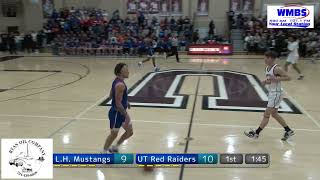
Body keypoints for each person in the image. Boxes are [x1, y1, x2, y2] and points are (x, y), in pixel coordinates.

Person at [244, 51, 294, 141]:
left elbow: (288, 77)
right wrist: (265, 82)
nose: (264, 59)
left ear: (271, 58)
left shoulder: (277, 68)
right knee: (274, 114)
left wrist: (277, 78)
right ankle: (288, 131)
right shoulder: (267, 68)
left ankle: (256, 133)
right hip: (272, 93)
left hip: (276, 93)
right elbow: (271, 79)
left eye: (266, 58)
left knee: (266, 114)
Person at [103, 63, 133, 153]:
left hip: (120, 112)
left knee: (130, 132)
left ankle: (115, 147)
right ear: (120, 72)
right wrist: (126, 115)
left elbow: (110, 96)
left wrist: (125, 101)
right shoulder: (120, 85)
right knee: (113, 134)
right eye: (126, 70)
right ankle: (104, 152)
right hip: (116, 114)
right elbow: (118, 103)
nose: (128, 71)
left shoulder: (117, 81)